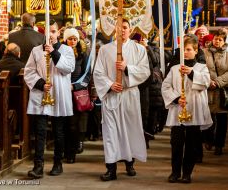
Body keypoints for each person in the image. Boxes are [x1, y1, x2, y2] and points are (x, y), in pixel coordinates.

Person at [93, 19, 150, 181]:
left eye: (125, 27)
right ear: (114, 30)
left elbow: (145, 71)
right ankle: (111, 168)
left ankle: (129, 162)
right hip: (111, 95)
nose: (122, 30)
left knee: (129, 130)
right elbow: (98, 73)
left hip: (129, 95)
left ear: (130, 30)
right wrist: (110, 84)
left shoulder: (139, 49)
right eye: (119, 27)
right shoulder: (105, 50)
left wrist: (127, 69)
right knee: (111, 133)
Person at [24, 21, 75, 178]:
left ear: (58, 32)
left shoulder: (67, 50)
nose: (51, 34)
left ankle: (57, 163)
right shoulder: (36, 51)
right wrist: (40, 84)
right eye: (48, 31)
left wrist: (54, 52)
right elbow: (29, 71)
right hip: (42, 94)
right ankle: (38, 165)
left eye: (53, 31)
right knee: (40, 131)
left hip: (59, 93)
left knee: (58, 132)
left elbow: (68, 68)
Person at [162, 36, 212, 184]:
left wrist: (191, 73)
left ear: (196, 51)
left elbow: (205, 83)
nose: (186, 52)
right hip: (179, 109)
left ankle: (187, 173)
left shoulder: (201, 68)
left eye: (189, 49)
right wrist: (176, 98)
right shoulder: (173, 68)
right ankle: (175, 172)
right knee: (176, 143)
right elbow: (165, 87)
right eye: (184, 50)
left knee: (191, 144)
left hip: (194, 110)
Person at [62, 28, 91, 163]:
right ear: (65, 40)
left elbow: (86, 75)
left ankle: (71, 153)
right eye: (70, 39)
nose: (72, 41)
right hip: (62, 91)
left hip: (76, 93)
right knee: (63, 124)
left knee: (73, 124)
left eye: (74, 39)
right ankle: (63, 150)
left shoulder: (83, 55)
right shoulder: (61, 52)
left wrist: (75, 86)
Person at [203, 28, 228, 155]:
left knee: (222, 120)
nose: (217, 41)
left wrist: (218, 82)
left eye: (220, 39)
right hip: (208, 90)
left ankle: (219, 144)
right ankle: (208, 139)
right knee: (209, 117)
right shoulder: (205, 52)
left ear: (224, 41)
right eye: (216, 38)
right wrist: (208, 82)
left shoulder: (227, 53)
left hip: (222, 91)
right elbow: (201, 68)